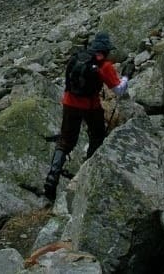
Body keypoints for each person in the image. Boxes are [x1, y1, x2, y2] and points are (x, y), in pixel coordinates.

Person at [44, 32, 129, 201]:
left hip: (69, 102)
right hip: (90, 106)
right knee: (97, 136)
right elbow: (118, 90)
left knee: (66, 140)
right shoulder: (104, 66)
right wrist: (126, 76)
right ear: (106, 50)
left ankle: (52, 177)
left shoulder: (77, 58)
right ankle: (88, 171)